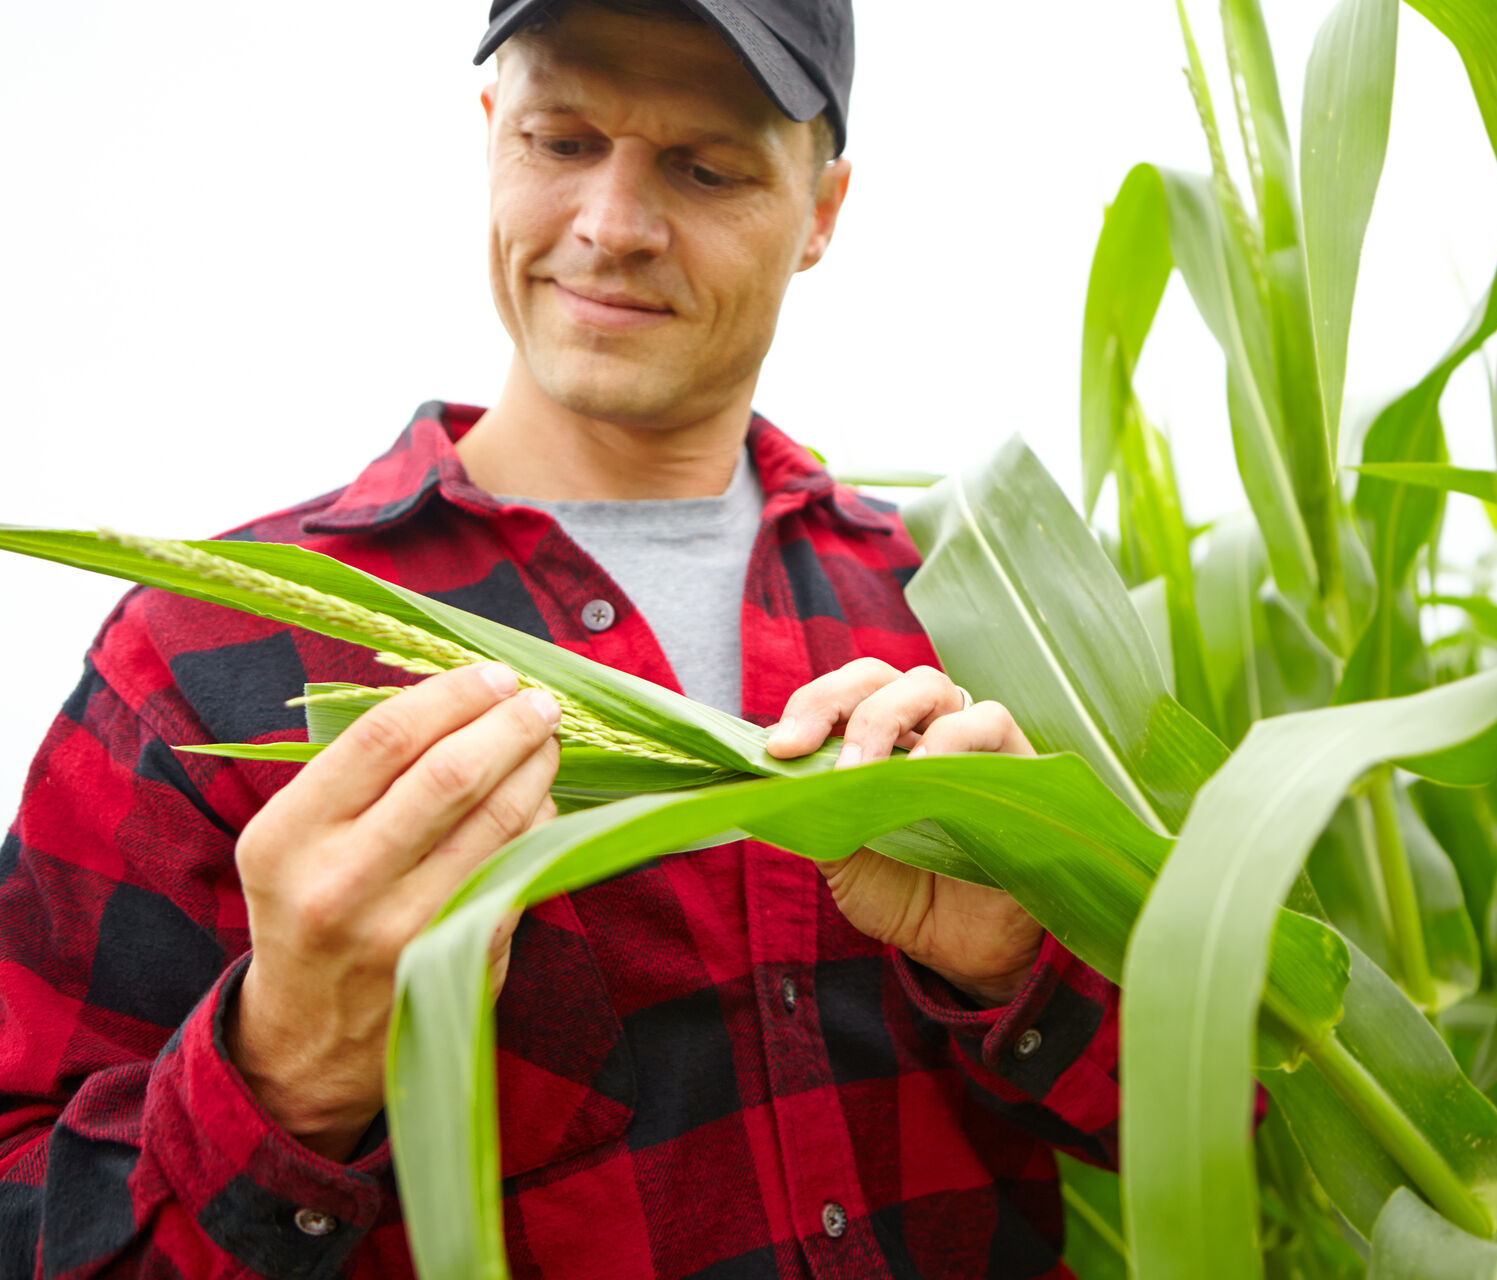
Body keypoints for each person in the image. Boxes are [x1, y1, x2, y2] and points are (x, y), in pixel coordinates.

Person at [0, 1, 1119, 1275]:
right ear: (492, 137)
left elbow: (1226, 1109)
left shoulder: (967, 613)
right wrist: (288, 1071)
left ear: (822, 211)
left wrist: (1019, 969)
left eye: (706, 168)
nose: (612, 225)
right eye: (562, 139)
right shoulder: (208, 653)